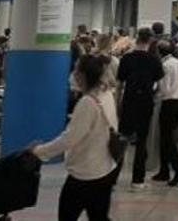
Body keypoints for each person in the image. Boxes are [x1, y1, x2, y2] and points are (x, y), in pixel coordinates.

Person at [32, 54, 120, 221]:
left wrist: (39, 151)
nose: (73, 74)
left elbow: (70, 139)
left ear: (83, 75)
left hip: (85, 173)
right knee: (99, 215)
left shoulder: (88, 102)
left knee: (67, 215)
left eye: (76, 70)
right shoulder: (106, 93)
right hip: (105, 167)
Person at [117, 28, 163, 189]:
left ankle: (112, 177)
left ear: (137, 39)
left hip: (129, 101)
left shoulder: (127, 58)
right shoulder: (154, 60)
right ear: (150, 41)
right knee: (142, 141)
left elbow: (120, 82)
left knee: (122, 139)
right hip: (146, 102)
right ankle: (138, 179)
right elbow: (158, 84)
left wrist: (118, 103)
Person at [152, 40, 178, 186]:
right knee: (166, 138)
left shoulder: (165, 66)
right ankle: (164, 170)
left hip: (169, 103)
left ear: (159, 52)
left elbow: (164, 88)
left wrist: (154, 95)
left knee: (167, 139)